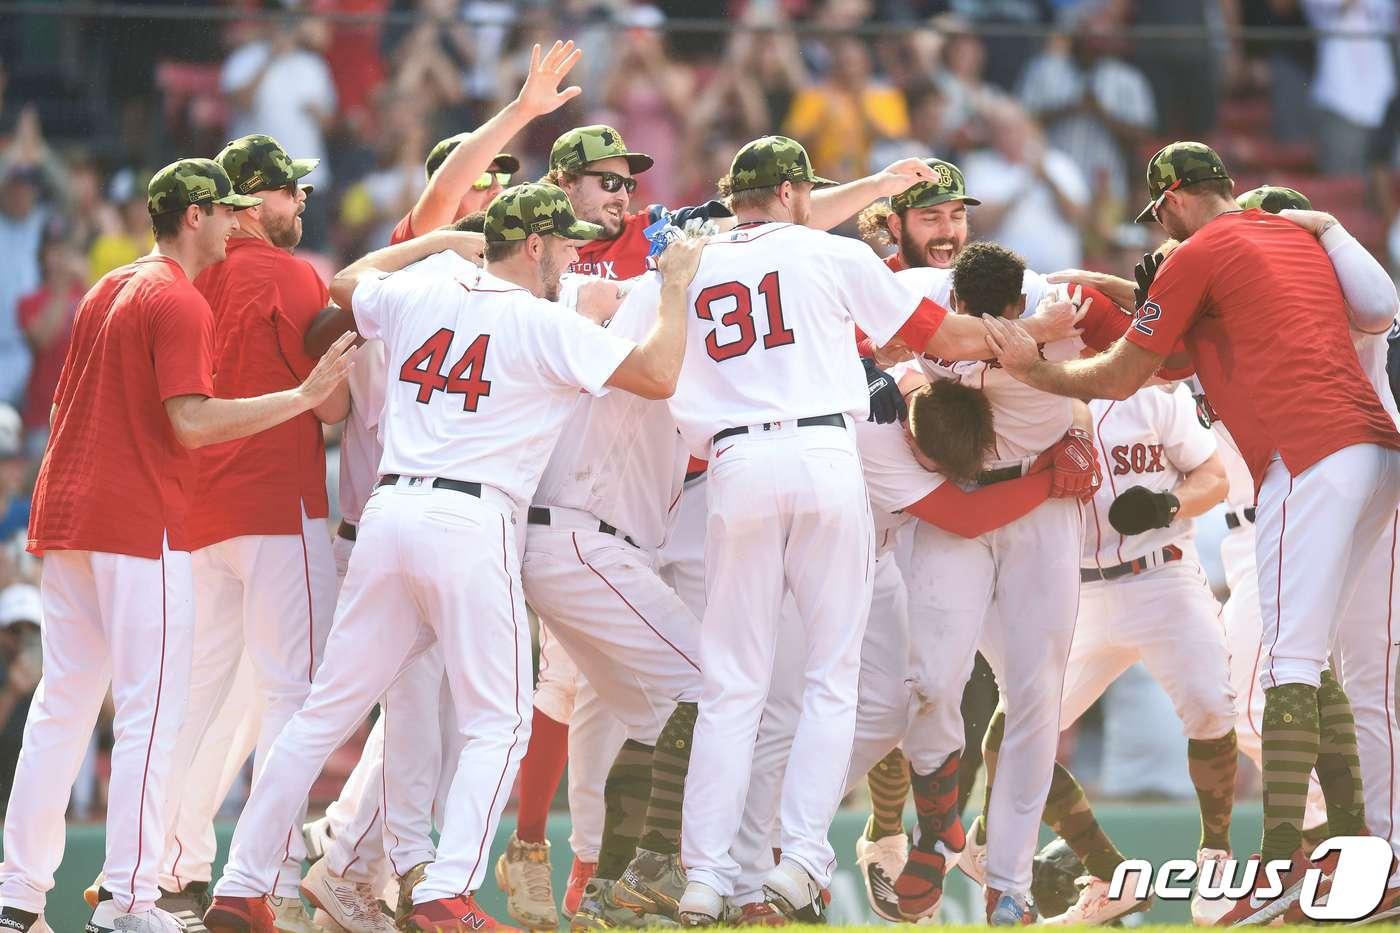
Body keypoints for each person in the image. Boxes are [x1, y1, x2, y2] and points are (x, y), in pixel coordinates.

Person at [203, 183, 701, 933]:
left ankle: (241, 881)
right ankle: (446, 891)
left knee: (321, 714)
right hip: (472, 519)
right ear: (531, 246)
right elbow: (659, 374)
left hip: (389, 509)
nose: (572, 255)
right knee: (498, 724)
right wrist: (677, 287)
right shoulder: (538, 320)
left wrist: (434, 243)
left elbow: (344, 283)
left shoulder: (419, 294)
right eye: (561, 243)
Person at [982, 141, 1400, 924]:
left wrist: (1032, 368)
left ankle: (1285, 865)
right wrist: (1331, 228)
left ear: (1169, 200)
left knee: (1288, 670)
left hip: (1305, 464)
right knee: (1345, 676)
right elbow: (1377, 307)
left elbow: (1121, 373)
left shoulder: (1202, 255)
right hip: (1378, 454)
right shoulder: (1295, 244)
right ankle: (1368, 852)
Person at [666, 136, 1078, 926]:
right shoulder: (833, 257)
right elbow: (944, 337)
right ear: (792, 192)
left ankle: (706, 876)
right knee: (829, 681)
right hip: (825, 451)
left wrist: (879, 185)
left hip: (732, 464)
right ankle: (802, 860)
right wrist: (1025, 332)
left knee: (732, 686)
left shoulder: (695, 257)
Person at [0, 158, 353, 933]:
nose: (235, 223)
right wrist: (298, 397)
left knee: (62, 709)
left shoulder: (108, 285)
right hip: (135, 522)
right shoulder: (178, 297)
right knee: (150, 715)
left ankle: (19, 899)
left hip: (65, 522)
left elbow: (61, 405)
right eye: (224, 211)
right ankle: (130, 901)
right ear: (194, 217)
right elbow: (192, 421)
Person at [295, 43, 584, 931]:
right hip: (388, 515)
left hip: (424, 518)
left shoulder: (494, 290)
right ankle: (363, 865)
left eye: (505, 184)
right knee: (419, 722)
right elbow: (433, 204)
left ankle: (357, 856)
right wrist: (522, 111)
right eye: (480, 183)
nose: (493, 193)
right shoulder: (417, 267)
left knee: (449, 722)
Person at [134, 134, 344, 933]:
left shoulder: (184, 274)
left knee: (197, 699)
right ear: (255, 201)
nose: (302, 204)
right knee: (297, 690)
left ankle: (165, 868)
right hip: (275, 505)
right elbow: (332, 407)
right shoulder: (291, 273)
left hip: (195, 515)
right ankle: (275, 873)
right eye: (292, 192)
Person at [17, 230, 82, 455]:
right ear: (42, 258)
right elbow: (43, 340)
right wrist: (62, 288)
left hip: (78, 410)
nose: (59, 258)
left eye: (63, 251)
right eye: (53, 251)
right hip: (41, 412)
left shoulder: (86, 292)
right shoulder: (29, 302)